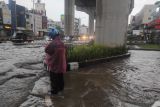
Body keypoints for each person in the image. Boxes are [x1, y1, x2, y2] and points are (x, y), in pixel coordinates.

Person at [45, 28, 66, 95]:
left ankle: (54, 92)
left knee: (54, 79)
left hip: (54, 64)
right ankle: (61, 89)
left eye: (51, 36)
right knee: (60, 77)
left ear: (52, 36)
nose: (50, 37)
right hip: (61, 64)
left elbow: (46, 50)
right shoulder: (62, 43)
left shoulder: (52, 43)